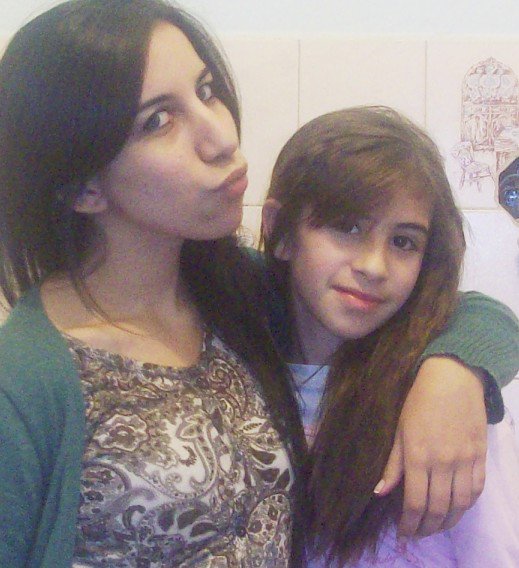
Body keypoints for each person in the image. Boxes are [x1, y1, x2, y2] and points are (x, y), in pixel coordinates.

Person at [0, 2, 517, 566]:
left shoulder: (233, 295)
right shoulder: (26, 381)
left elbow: (474, 313)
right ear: (82, 187)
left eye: (206, 91)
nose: (221, 137)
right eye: (158, 120)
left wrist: (453, 374)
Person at [261, 106, 519, 567]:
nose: (374, 267)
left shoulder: (450, 407)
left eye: (403, 242)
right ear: (279, 232)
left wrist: (454, 375)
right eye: (348, 227)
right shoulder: (229, 365)